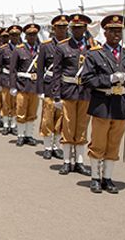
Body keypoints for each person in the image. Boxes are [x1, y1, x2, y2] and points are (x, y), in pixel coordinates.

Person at [81, 15, 125, 194]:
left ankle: (107, 177)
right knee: (98, 142)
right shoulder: (94, 54)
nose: (116, 34)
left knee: (114, 143)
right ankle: (95, 178)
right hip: (103, 104)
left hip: (121, 105)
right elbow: (87, 79)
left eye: (119, 31)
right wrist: (109, 79)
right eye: (112, 31)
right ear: (105, 32)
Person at [51, 14, 96, 177]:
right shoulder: (63, 47)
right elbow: (57, 72)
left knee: (82, 127)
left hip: (85, 92)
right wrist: (56, 95)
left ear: (85, 29)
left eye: (80, 28)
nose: (77, 31)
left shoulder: (92, 47)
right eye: (74, 28)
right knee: (68, 126)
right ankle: (66, 162)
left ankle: (79, 161)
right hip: (68, 91)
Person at [36, 15, 69, 159]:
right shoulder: (45, 45)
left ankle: (57, 146)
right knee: (48, 118)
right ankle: (48, 146)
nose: (62, 30)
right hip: (49, 86)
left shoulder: (70, 45)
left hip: (65, 87)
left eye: (64, 27)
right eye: (59, 27)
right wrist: (40, 89)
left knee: (61, 119)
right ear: (53, 29)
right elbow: (40, 69)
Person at [9, 23, 41, 147]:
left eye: (34, 34)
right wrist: (12, 86)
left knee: (32, 112)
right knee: (21, 111)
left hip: (34, 86)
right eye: (29, 35)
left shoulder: (40, 49)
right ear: (25, 36)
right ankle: (21, 135)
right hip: (22, 85)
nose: (32, 37)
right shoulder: (19, 49)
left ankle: (29, 135)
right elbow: (13, 69)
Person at [0, 25, 22, 136]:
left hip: (18, 80)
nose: (14, 37)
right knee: (6, 102)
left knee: (17, 104)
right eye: (12, 35)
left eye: (16, 35)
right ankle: (6, 125)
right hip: (6, 78)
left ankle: (14, 125)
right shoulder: (3, 49)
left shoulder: (22, 48)